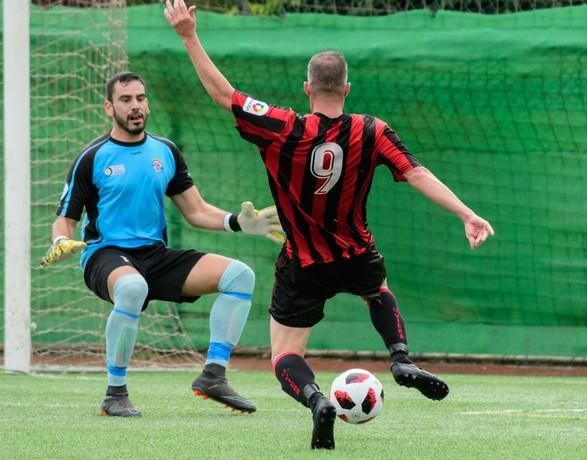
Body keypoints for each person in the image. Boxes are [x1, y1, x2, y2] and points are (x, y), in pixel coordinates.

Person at [165, 0, 494, 449]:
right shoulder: (372, 130)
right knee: (377, 291)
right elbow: (416, 172)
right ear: (347, 88)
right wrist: (467, 214)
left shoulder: (282, 126)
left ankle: (317, 399)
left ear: (307, 88)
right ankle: (399, 358)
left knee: (285, 354)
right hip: (357, 252)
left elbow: (225, 95)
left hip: (303, 261)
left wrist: (189, 35)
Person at [40, 71, 284, 417]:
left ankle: (213, 376)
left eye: (141, 98)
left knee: (240, 276)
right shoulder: (93, 157)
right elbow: (64, 217)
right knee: (132, 287)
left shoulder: (165, 151)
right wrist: (61, 239)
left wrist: (238, 222)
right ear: (109, 108)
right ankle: (115, 394)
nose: (135, 106)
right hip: (104, 255)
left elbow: (196, 210)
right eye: (126, 100)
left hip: (155, 256)